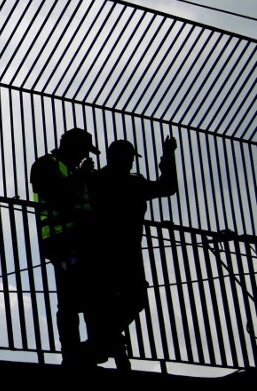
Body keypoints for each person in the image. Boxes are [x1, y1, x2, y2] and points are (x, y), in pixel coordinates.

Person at [84, 136, 179, 370]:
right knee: (124, 300)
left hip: (109, 252)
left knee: (118, 302)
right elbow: (167, 187)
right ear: (120, 158)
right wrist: (167, 156)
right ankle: (106, 346)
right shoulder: (122, 183)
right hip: (112, 252)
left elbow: (167, 188)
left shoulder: (98, 180)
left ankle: (100, 343)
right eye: (128, 159)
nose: (131, 164)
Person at [29, 127, 99, 366]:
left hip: (81, 240)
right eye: (81, 150)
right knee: (70, 300)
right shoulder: (45, 165)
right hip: (61, 239)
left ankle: (88, 349)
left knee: (89, 298)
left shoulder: (72, 169)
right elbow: (54, 193)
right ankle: (72, 351)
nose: (82, 156)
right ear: (70, 145)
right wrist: (80, 177)